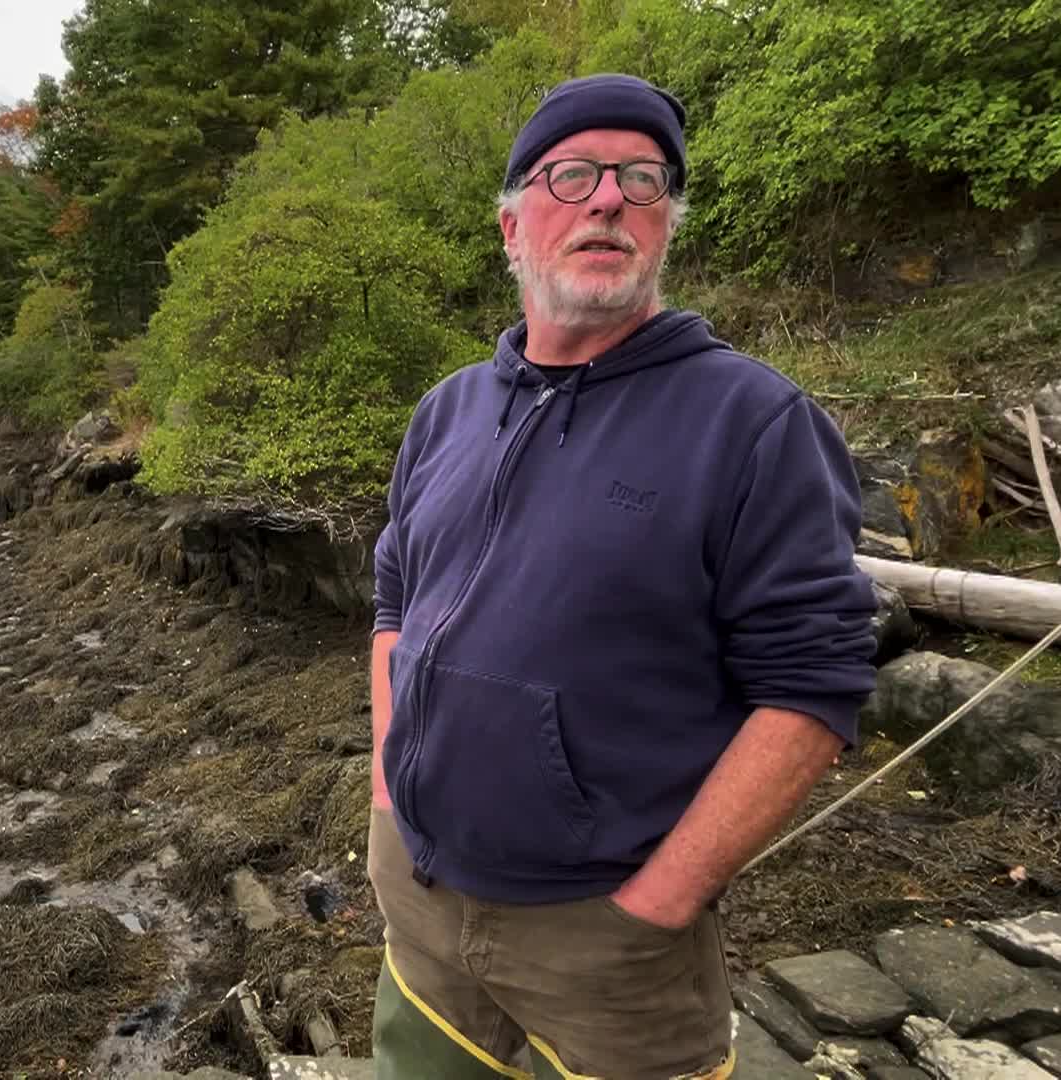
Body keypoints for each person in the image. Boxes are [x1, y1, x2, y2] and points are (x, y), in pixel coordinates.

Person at [365, 73, 879, 1080]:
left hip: (608, 948)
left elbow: (813, 686)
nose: (607, 198)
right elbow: (394, 598)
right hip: (419, 905)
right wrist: (389, 790)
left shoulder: (754, 423)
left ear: (664, 230)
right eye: (571, 175)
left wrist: (660, 902)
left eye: (641, 181)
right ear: (512, 228)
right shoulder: (448, 411)